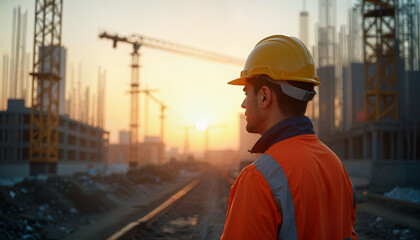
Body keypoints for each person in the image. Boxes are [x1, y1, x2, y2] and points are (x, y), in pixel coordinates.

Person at [221, 35, 357, 240]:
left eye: (246, 92)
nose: (243, 104)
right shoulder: (336, 167)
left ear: (264, 96)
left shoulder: (259, 179)